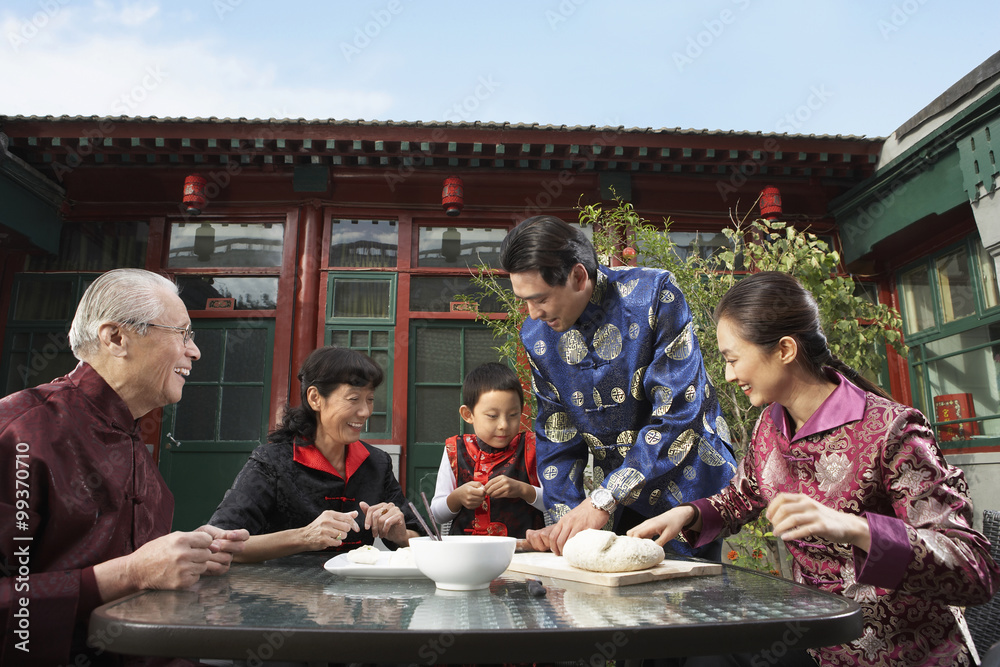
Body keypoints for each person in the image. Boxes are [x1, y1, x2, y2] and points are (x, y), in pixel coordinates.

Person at [628, 271, 1000, 667]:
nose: (729, 375)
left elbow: (973, 569)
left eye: (733, 359)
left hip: (904, 653)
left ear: (785, 349)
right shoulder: (770, 425)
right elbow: (745, 494)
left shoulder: (892, 430)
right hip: (815, 642)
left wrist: (856, 529)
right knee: (697, 652)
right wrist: (688, 513)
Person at [0, 268, 249, 666]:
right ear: (116, 338)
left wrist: (187, 554)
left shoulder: (132, 434)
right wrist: (131, 572)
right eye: (182, 333)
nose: (195, 351)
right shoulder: (22, 430)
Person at [499, 215, 737, 557]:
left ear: (579, 277)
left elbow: (679, 412)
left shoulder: (655, 294)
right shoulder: (536, 337)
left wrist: (603, 497)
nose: (532, 313)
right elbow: (557, 434)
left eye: (539, 299)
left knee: (687, 598)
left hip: (687, 486)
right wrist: (564, 529)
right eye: (524, 301)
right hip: (621, 497)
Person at [210, 346, 420, 561]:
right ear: (315, 398)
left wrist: (402, 535)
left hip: (352, 591)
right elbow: (219, 542)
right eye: (353, 398)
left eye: (370, 399)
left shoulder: (377, 462)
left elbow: (422, 537)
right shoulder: (272, 461)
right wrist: (304, 537)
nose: (365, 412)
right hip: (282, 590)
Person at [429, 362, 547, 537]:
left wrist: (523, 490)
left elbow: (555, 504)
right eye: (492, 416)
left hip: (524, 552)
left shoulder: (532, 446)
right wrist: (458, 497)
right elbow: (437, 514)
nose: (503, 425)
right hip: (467, 554)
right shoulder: (455, 450)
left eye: (513, 415)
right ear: (468, 415)